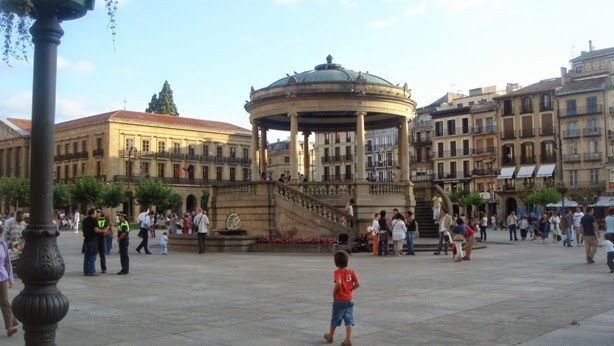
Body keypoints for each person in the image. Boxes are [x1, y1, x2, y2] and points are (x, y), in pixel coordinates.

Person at [323, 250, 359, 346]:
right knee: (349, 320)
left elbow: (338, 282)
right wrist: (350, 289)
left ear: (336, 262)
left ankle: (330, 336)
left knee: (335, 318)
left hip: (340, 299)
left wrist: (335, 291)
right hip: (349, 299)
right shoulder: (351, 271)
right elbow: (358, 283)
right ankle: (347, 340)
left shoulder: (337, 272)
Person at [0, 226, 18, 337]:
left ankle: (10, 327)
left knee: (5, 301)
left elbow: (7, 263)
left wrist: (10, 278)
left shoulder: (3, 245)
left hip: (2, 277)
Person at [82, 208, 108, 276]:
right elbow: (96, 230)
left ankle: (86, 271)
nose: (96, 214)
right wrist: (103, 231)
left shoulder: (84, 220)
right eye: (95, 213)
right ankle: (91, 271)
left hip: (86, 239)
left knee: (86, 256)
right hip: (93, 239)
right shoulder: (94, 220)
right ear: (93, 214)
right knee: (92, 256)